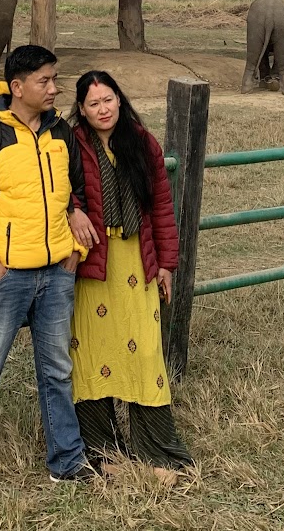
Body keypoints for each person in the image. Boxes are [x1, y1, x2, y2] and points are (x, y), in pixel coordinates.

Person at [0, 44, 102, 505]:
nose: (54, 88)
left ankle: (67, 461)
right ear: (18, 87)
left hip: (56, 276)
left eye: (55, 79)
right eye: (45, 81)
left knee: (58, 372)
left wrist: (72, 250)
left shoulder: (62, 134)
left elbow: (77, 194)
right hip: (5, 278)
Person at [68, 70, 195, 475]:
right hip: (92, 264)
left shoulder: (142, 143)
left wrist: (167, 265)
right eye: (93, 104)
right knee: (91, 353)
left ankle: (158, 452)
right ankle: (103, 452)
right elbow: (58, 190)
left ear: (119, 100)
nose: (103, 109)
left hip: (137, 261)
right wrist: (74, 211)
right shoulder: (72, 145)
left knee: (144, 352)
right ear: (82, 111)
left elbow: (161, 207)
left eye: (108, 100)